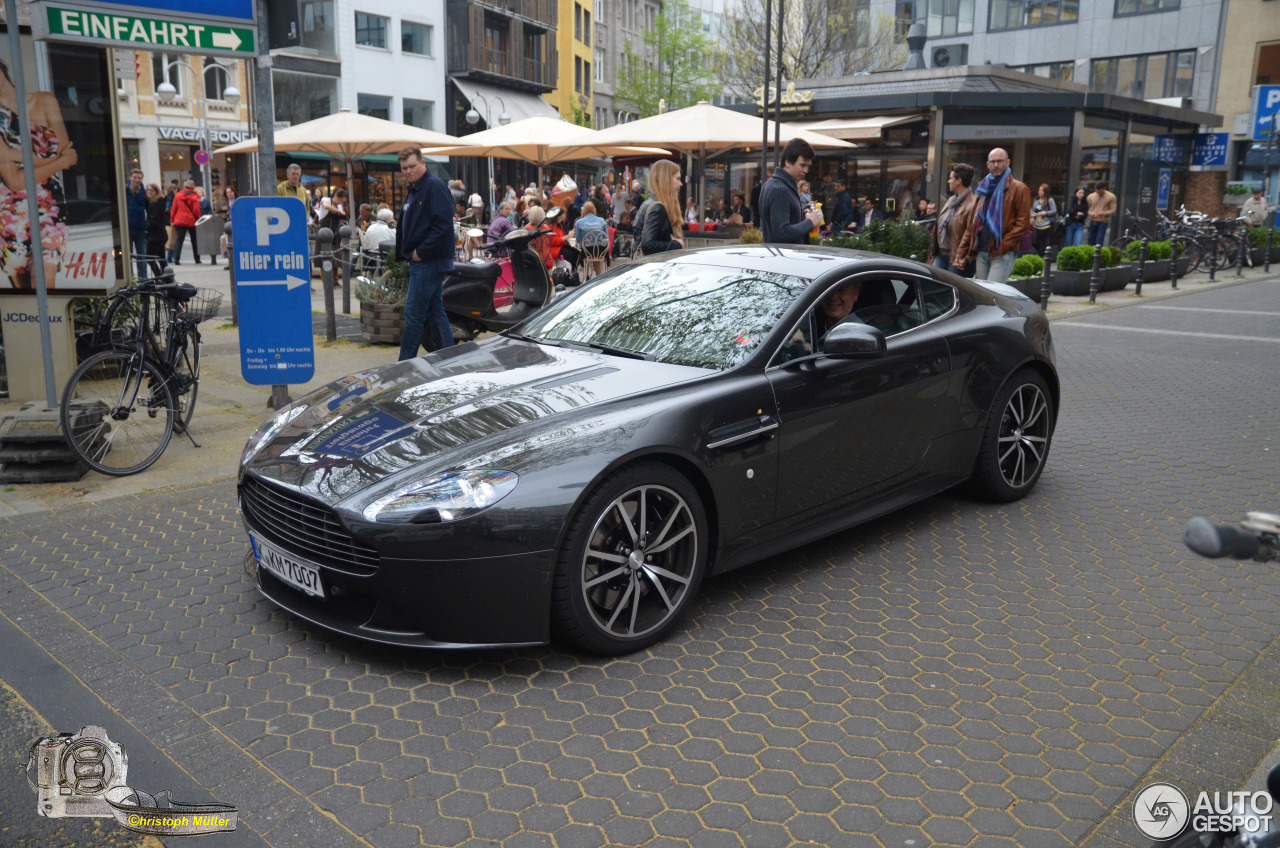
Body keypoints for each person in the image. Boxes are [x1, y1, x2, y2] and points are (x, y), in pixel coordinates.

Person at [0, 58, 77, 290]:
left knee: (42, 279)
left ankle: (49, 326)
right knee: (23, 292)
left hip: (50, 207)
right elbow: (15, 182)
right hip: (10, 213)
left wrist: (15, 155)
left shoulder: (45, 101)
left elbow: (69, 155)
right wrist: (59, 161)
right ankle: (31, 327)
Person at [395, 147, 455, 360]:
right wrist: (410, 254)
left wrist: (421, 252)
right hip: (422, 260)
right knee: (434, 311)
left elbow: (444, 226)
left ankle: (404, 364)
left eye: (412, 166)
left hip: (429, 261)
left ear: (423, 163)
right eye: (404, 168)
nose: (408, 171)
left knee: (414, 314)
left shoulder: (434, 186)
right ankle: (450, 358)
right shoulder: (417, 188)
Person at [968, 147, 1031, 283]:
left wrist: (1005, 244)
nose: (996, 165)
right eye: (993, 161)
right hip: (982, 250)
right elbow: (976, 218)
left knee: (993, 294)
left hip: (1001, 252)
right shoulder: (984, 188)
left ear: (1007, 162)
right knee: (982, 295)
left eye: (1000, 161)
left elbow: (1024, 222)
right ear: (988, 164)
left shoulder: (1019, 188)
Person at [759, 138, 823, 244]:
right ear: (788, 162)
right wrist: (810, 222)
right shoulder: (780, 189)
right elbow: (782, 232)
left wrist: (801, 215)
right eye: (802, 165)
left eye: (808, 166)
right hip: (785, 258)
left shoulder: (774, 185)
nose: (806, 170)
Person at [930, 163, 978, 277]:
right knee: (932, 284)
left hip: (957, 258)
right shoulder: (951, 200)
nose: (948, 181)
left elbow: (973, 234)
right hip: (941, 254)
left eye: (951, 178)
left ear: (959, 181)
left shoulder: (973, 204)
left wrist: (966, 258)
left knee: (952, 291)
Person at [639, 159, 685, 255]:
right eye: (678, 179)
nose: (681, 184)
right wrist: (677, 244)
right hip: (654, 267)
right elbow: (648, 245)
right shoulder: (658, 208)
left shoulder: (648, 203)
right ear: (666, 180)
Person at [169, 179, 202, 264]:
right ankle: (197, 259)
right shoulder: (194, 197)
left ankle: (176, 259)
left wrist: (172, 219)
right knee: (194, 241)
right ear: (193, 187)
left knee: (179, 240)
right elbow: (196, 210)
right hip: (191, 221)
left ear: (185, 186)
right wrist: (198, 218)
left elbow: (174, 208)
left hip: (179, 221)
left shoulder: (178, 195)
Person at [574, 200, 609, 278]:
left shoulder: (579, 222)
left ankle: (586, 276)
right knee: (597, 258)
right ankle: (599, 277)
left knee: (584, 257)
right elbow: (606, 236)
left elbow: (578, 239)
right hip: (600, 250)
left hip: (587, 250)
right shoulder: (601, 220)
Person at [125, 168, 148, 280]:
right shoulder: (124, 191)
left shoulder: (145, 193)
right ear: (130, 178)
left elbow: (149, 209)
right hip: (127, 229)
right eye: (135, 177)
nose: (137, 180)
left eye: (139, 178)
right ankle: (131, 280)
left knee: (142, 257)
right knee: (128, 256)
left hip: (140, 229)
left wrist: (147, 225)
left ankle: (143, 281)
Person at [144, 183, 168, 277]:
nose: (149, 192)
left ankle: (159, 276)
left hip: (155, 236)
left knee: (149, 257)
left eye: (152, 190)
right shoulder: (159, 202)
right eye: (148, 190)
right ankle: (167, 277)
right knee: (161, 258)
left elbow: (153, 221)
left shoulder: (155, 204)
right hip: (161, 234)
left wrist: (146, 229)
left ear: (156, 192)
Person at [1086, 180, 1116, 246]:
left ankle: (1098, 254)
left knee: (1099, 240)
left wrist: (1104, 213)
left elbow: (1113, 210)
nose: (1099, 194)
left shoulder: (1111, 196)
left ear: (1104, 188)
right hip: (1092, 220)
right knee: (1091, 240)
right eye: (1097, 192)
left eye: (1100, 192)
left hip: (1103, 221)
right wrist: (1089, 212)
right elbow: (1086, 208)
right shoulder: (1090, 196)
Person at [1030, 183, 1057, 255]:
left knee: (1042, 242)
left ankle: (1041, 257)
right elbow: (1032, 210)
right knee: (1034, 242)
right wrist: (1032, 214)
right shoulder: (1036, 200)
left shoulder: (1050, 200)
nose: (1040, 192)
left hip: (1046, 225)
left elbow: (1054, 211)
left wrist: (1043, 213)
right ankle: (1042, 253)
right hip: (1036, 224)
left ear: (1046, 192)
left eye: (1042, 191)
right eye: (1039, 190)